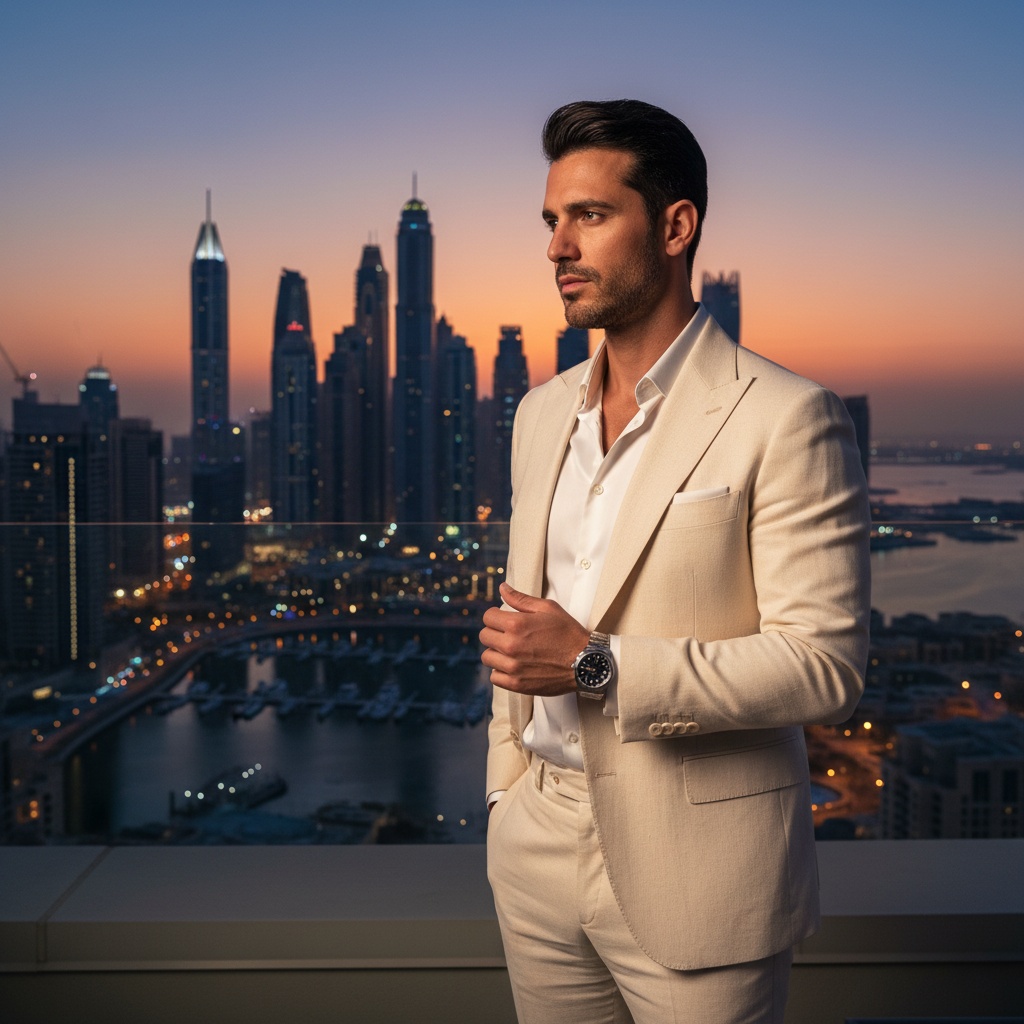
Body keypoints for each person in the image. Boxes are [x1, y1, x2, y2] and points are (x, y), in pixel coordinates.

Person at [479, 99, 871, 1024]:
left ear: (676, 226)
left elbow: (826, 667)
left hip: (700, 871)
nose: (557, 248)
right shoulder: (540, 415)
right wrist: (506, 795)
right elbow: (520, 618)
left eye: (591, 216)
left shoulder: (787, 416)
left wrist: (593, 665)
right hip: (534, 847)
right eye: (550, 221)